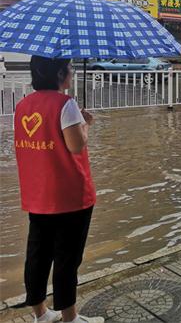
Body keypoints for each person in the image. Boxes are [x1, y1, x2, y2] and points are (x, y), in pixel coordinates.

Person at [13, 56, 102, 323]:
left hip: (37, 195)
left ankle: (41, 313)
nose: (72, 73)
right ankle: (70, 318)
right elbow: (76, 145)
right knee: (67, 258)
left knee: (38, 254)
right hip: (70, 197)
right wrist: (86, 124)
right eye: (71, 68)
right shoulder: (66, 105)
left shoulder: (23, 105)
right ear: (60, 73)